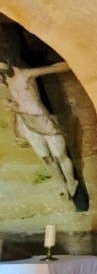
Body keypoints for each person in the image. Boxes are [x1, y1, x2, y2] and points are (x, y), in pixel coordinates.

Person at [0, 55, 78, 197]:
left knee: (59, 155)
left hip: (43, 120)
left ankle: (71, 183)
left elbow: (53, 68)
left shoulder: (24, 74)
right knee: (46, 157)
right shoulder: (5, 80)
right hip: (27, 122)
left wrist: (76, 62)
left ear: (6, 62)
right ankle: (61, 186)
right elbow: (16, 100)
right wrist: (12, 105)